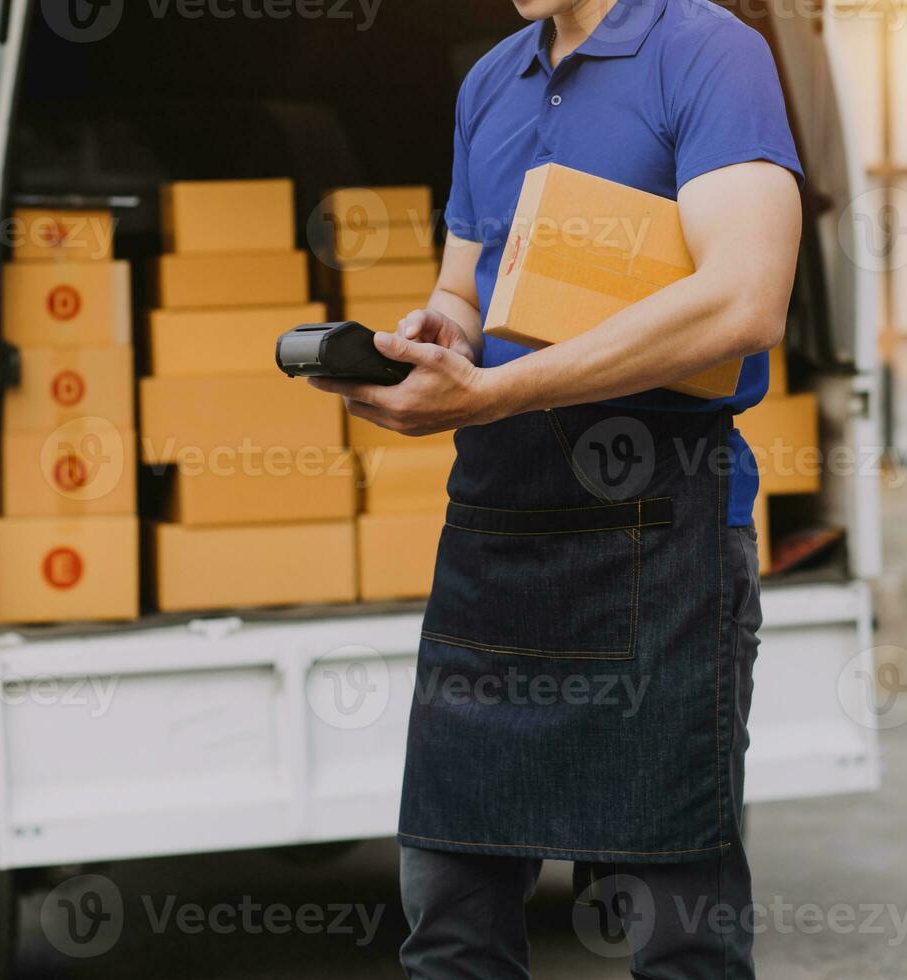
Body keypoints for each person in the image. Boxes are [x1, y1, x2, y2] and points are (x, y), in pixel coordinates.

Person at [310, 0, 802, 975]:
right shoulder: (491, 79)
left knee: (681, 930)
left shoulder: (707, 53)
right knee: (449, 918)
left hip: (661, 530)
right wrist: (441, 329)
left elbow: (746, 295)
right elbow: (468, 284)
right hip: (497, 526)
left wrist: (493, 390)